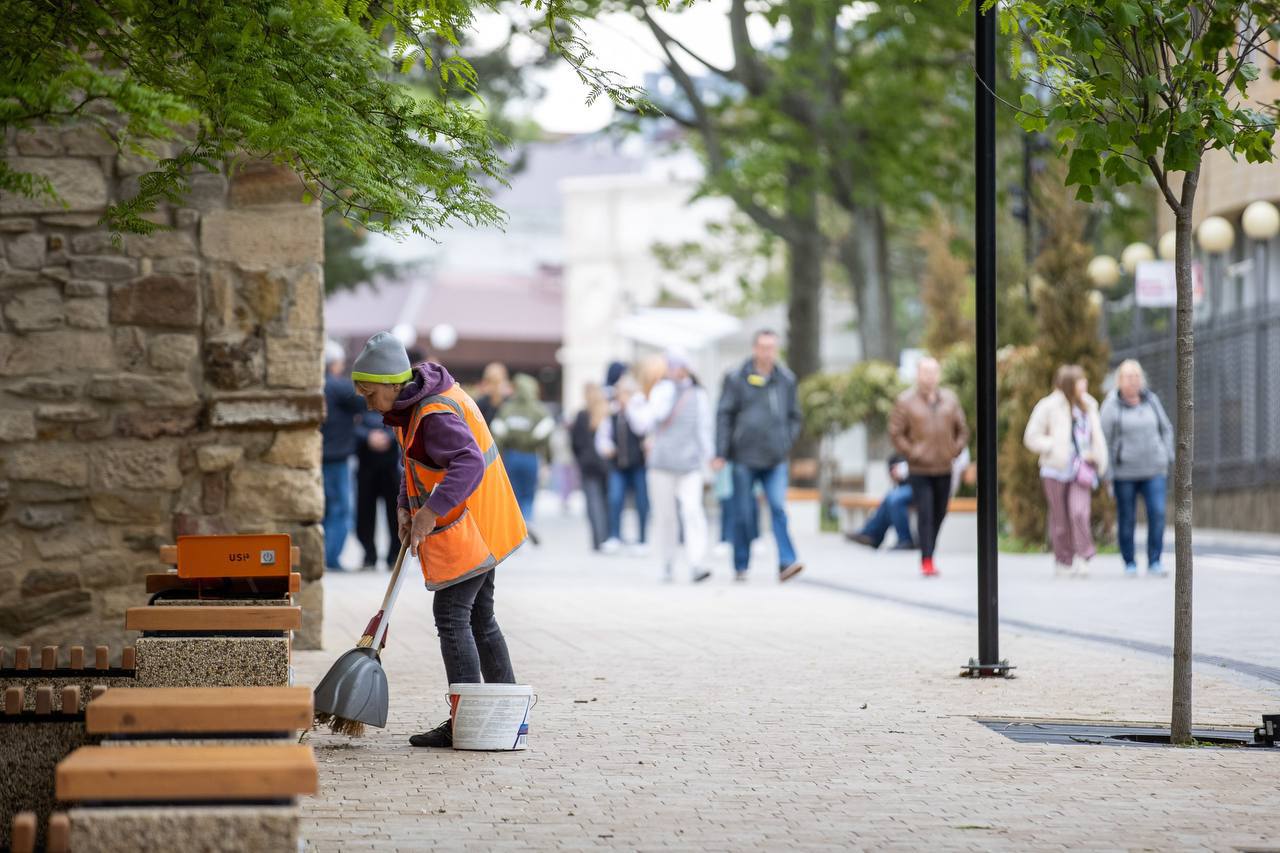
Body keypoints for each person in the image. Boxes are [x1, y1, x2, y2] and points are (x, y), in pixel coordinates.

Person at [350, 331, 525, 748]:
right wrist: (404, 507)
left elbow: (467, 463)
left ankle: (468, 721)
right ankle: (506, 716)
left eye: (370, 393)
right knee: (480, 617)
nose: (367, 403)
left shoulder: (433, 414)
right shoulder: (412, 409)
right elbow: (414, 466)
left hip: (473, 527)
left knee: (451, 614)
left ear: (393, 384)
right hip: (482, 525)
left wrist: (428, 513)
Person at [713, 329, 804, 583]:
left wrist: (786, 440)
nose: (767, 353)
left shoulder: (786, 379)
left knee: (777, 506)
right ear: (754, 349)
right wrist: (721, 452)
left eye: (771, 347)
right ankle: (741, 563)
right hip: (743, 456)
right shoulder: (736, 378)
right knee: (743, 511)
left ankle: (787, 561)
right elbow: (724, 415)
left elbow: (795, 416)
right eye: (762, 347)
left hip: (775, 457)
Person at [626, 351, 714, 583]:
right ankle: (667, 561)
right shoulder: (662, 390)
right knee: (665, 515)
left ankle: (696, 562)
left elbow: (704, 429)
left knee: (692, 510)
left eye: (678, 366)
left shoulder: (698, 394)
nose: (674, 370)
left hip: (690, 464)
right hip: (662, 462)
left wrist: (710, 458)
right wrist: (640, 402)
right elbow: (645, 423)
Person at [1024, 364, 1108, 578]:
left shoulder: (1089, 405)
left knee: (1079, 512)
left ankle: (1083, 555)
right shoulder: (1048, 406)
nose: (1085, 384)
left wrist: (1098, 457)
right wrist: (1052, 446)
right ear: (1070, 384)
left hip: (1082, 469)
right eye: (1081, 381)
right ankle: (1063, 559)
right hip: (1055, 469)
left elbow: (1096, 435)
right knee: (1060, 518)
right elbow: (1031, 436)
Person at [888, 357, 969, 577]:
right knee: (925, 512)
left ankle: (929, 551)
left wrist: (955, 449)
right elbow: (896, 432)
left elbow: (962, 430)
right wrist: (913, 452)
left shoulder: (950, 400)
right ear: (918, 374)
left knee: (940, 512)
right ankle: (927, 559)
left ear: (939, 375)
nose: (929, 376)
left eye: (933, 372)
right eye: (925, 372)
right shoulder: (906, 401)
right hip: (919, 469)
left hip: (944, 466)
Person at [1100, 359, 1173, 577]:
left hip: (1154, 469)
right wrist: (1107, 474)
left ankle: (1154, 560)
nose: (1133, 381)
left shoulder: (1152, 401)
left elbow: (1166, 428)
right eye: (1128, 377)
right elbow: (1104, 440)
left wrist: (1166, 455)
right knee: (1127, 518)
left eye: (1136, 377)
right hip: (1125, 473)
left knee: (1158, 513)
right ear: (1119, 381)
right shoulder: (1111, 406)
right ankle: (1129, 561)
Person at [489, 373, 554, 543]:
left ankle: (514, 530)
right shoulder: (540, 411)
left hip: (511, 456)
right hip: (531, 456)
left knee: (513, 494)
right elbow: (546, 437)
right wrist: (548, 460)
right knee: (529, 494)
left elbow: (497, 435)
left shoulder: (507, 409)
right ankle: (527, 520)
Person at [321, 341, 367, 571]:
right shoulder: (338, 386)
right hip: (337, 459)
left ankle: (321, 557)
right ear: (335, 364)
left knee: (324, 510)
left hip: (319, 457)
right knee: (341, 511)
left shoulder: (317, 386)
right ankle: (331, 559)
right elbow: (365, 401)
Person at [596, 372, 650, 555]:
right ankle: (614, 536)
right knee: (615, 498)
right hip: (618, 464)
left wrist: (629, 409)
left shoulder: (640, 408)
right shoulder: (612, 413)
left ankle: (642, 539)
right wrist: (607, 447)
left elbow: (641, 427)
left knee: (642, 501)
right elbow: (603, 437)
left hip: (638, 464)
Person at [354, 408, 401, 570]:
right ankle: (369, 555)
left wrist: (388, 437)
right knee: (364, 514)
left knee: (395, 514)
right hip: (366, 468)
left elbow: (402, 425)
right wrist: (367, 436)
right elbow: (350, 425)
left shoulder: (396, 401)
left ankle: (394, 556)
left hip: (390, 468)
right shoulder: (359, 401)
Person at [570, 382, 611, 551]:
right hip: (606, 464)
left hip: (587, 464)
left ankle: (597, 540)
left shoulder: (581, 415)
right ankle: (606, 537)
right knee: (605, 501)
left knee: (593, 502)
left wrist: (579, 458)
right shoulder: (606, 414)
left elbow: (575, 442)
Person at [845, 455, 916, 550]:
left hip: (925, 486)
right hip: (914, 482)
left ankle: (905, 540)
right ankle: (871, 535)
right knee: (889, 498)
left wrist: (907, 471)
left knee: (895, 498)